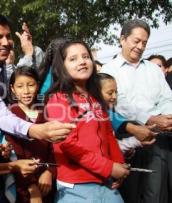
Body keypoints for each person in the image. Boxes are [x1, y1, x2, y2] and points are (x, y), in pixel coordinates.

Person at [0, 13, 74, 143]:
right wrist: (35, 130)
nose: (6, 43)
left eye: (8, 36)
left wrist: (29, 53)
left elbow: (17, 76)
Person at [46, 40, 128, 203]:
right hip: (76, 187)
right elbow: (68, 144)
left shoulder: (96, 100)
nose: (82, 61)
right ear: (62, 67)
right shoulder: (57, 100)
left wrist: (119, 164)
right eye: (73, 59)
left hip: (107, 184)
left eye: (85, 56)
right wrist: (109, 167)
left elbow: (108, 135)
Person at [101, 19, 172, 203]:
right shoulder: (109, 71)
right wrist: (149, 118)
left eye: (145, 43)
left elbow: (167, 98)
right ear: (123, 39)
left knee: (155, 195)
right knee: (128, 194)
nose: (140, 46)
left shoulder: (154, 70)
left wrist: (167, 119)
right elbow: (115, 106)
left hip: (157, 141)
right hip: (125, 144)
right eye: (136, 41)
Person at [6, 66, 56, 203]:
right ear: (12, 89)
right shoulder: (9, 116)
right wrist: (31, 185)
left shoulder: (46, 111)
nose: (26, 91)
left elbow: (55, 146)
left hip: (48, 181)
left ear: (38, 85)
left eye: (31, 85)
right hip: (24, 186)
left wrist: (49, 171)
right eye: (20, 86)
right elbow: (14, 155)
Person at [97, 73, 157, 154]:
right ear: (95, 93)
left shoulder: (112, 113)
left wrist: (134, 142)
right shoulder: (94, 118)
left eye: (116, 92)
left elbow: (114, 146)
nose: (114, 96)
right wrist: (134, 140)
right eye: (110, 93)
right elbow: (101, 150)